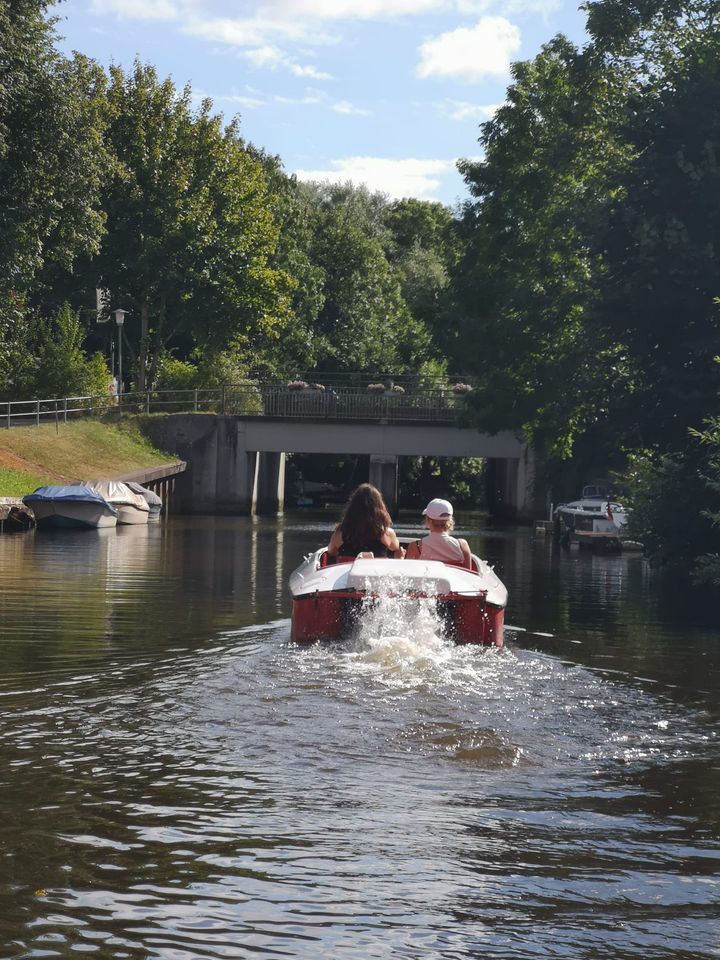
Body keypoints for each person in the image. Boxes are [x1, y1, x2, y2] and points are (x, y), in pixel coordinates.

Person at [326, 483, 403, 560]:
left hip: (347, 571)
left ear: (352, 509)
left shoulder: (340, 533)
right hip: (376, 571)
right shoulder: (386, 533)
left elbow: (331, 552)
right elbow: (396, 548)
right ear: (379, 508)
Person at [404, 498, 473, 569]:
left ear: (428, 520)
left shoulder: (415, 546)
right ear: (450, 520)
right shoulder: (462, 545)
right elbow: (469, 574)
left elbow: (408, 572)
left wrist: (400, 557)